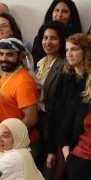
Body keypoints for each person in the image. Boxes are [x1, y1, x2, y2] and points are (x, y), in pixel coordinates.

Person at [46, 33, 91, 180]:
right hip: (64, 142)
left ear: (86, 51)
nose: (69, 53)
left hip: (88, 142)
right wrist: (51, 149)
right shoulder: (65, 76)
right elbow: (54, 114)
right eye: (67, 50)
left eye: (74, 49)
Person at [0, 38, 39, 154]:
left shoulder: (23, 82)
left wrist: (9, 137)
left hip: (20, 146)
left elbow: (32, 119)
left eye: (10, 55)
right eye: (1, 54)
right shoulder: (8, 75)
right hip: (8, 144)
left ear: (21, 57)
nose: (3, 58)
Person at [35, 21, 67, 169]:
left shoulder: (64, 66)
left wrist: (52, 148)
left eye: (53, 38)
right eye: (45, 38)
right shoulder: (40, 63)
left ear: (62, 41)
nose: (48, 42)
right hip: (38, 124)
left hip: (51, 126)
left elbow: (60, 110)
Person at [32, 0, 82, 64]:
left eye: (64, 11)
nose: (59, 15)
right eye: (56, 10)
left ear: (71, 16)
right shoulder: (39, 39)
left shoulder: (78, 41)